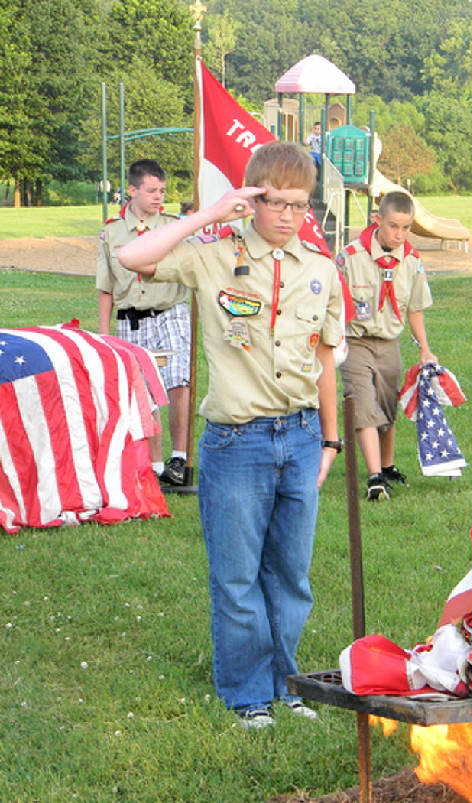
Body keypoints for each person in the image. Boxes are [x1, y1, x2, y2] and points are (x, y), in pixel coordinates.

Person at [117, 142, 344, 729]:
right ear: (251, 199)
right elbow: (131, 256)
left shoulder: (321, 270)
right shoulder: (211, 256)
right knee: (238, 575)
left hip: (298, 440)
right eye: (274, 203)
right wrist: (206, 215)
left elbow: (325, 364)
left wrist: (330, 440)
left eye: (299, 205)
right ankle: (247, 693)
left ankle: (285, 683)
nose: (288, 215)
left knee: (291, 575)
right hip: (235, 442)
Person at [96, 159, 191, 486]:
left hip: (169, 311)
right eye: (151, 190)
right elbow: (105, 287)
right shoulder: (112, 231)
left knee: (178, 380)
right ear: (132, 190)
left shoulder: (171, 226)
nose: (158, 197)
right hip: (132, 320)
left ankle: (179, 459)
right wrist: (105, 335)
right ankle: (154, 466)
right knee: (143, 389)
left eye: (162, 191)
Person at [337, 190, 436, 501]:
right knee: (364, 405)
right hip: (355, 341)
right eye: (393, 226)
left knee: (387, 406)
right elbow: (333, 305)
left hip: (389, 342)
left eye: (406, 228)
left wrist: (424, 347)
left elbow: (414, 308)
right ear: (376, 220)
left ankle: (388, 465)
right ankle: (374, 477)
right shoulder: (350, 257)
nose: (399, 234)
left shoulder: (411, 261)